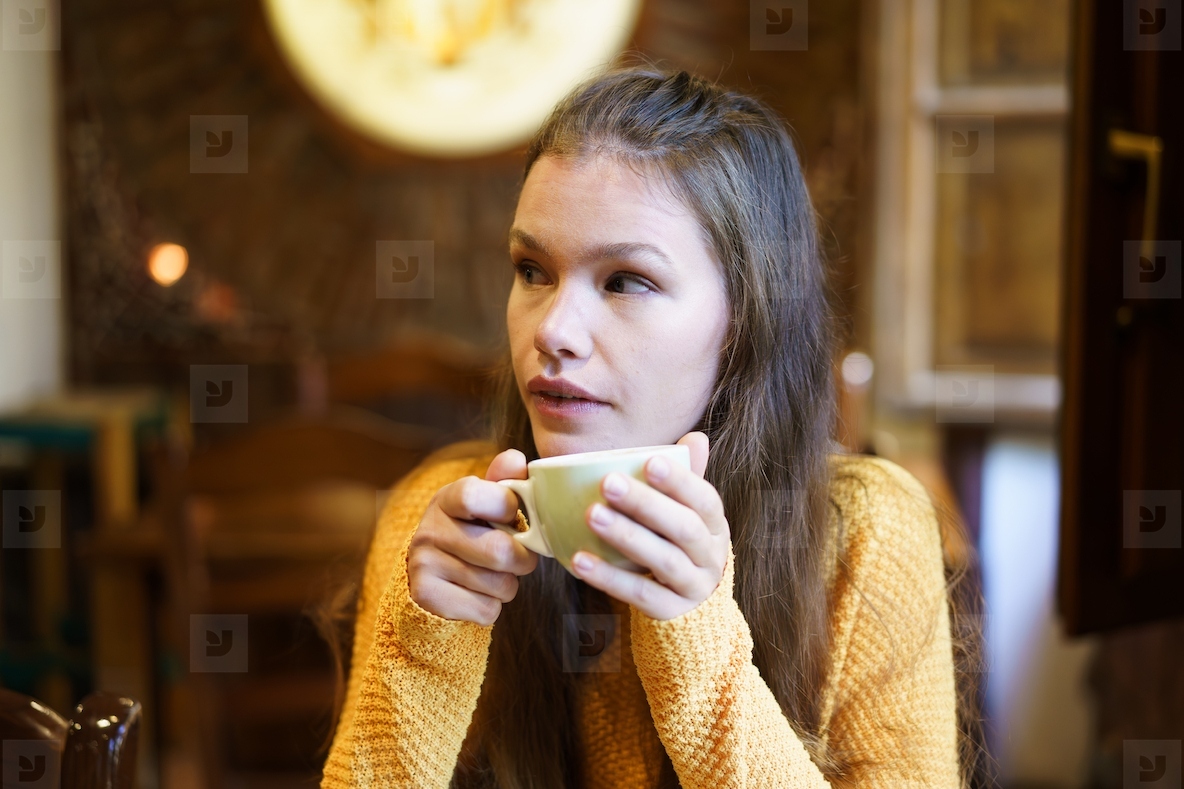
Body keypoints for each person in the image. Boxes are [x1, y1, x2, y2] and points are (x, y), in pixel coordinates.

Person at [321, 61, 971, 788]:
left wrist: (694, 635)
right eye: (532, 269)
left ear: (743, 321)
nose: (554, 330)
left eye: (626, 280)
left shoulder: (864, 530)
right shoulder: (442, 521)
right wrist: (422, 652)